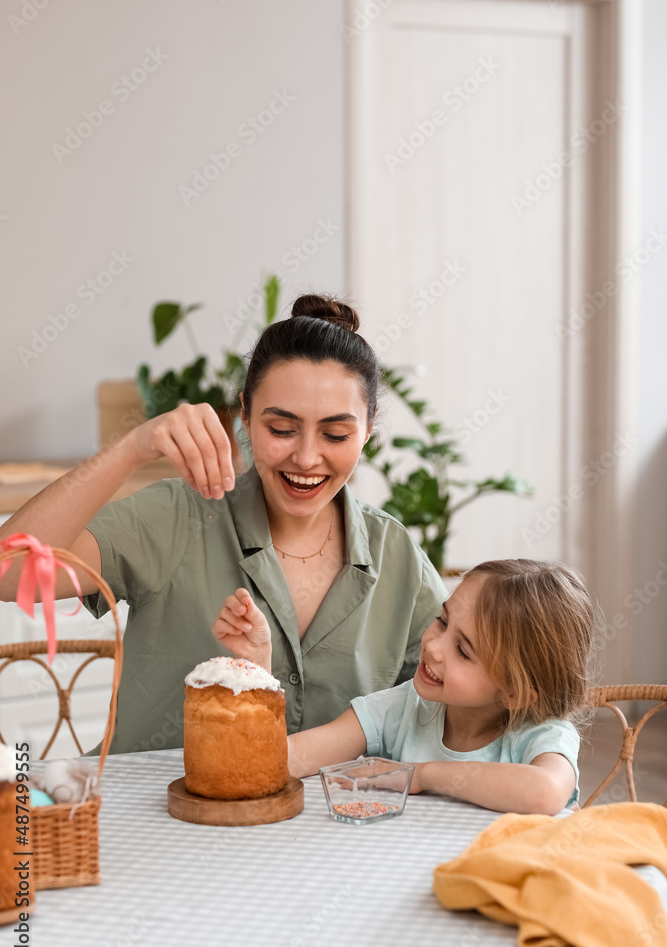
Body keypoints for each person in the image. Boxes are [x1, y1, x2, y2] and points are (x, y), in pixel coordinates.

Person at [0, 295, 445, 752]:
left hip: (323, 823)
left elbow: (463, 697)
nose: (307, 457)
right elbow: (8, 571)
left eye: (336, 434)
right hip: (146, 815)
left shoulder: (395, 554)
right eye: (281, 429)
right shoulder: (176, 517)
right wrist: (132, 447)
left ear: (367, 430)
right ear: (245, 417)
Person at [217, 559, 595, 815]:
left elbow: (544, 792)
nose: (432, 647)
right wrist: (256, 671)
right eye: (442, 622)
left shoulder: (542, 737)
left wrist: (419, 775)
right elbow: (279, 759)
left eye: (463, 651)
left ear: (514, 691)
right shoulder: (401, 708)